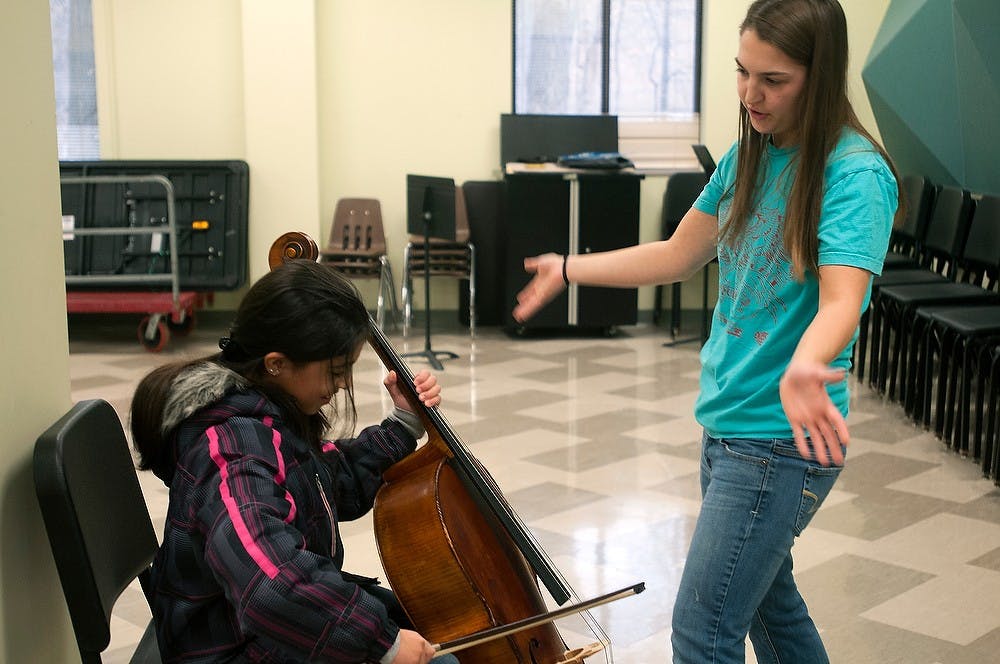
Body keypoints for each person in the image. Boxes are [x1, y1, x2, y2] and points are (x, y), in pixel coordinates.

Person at [513, 1, 902, 662]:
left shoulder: (854, 174)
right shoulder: (751, 154)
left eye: (773, 80)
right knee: (769, 608)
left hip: (780, 440)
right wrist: (569, 268)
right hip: (729, 424)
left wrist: (808, 361)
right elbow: (676, 254)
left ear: (820, 74)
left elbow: (843, 299)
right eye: (742, 71)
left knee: (703, 629)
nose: (751, 94)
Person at [130, 258, 458, 664]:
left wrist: (404, 424)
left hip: (254, 632)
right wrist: (382, 645)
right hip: (229, 647)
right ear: (276, 363)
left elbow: (329, 481)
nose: (341, 385)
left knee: (439, 625)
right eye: (335, 371)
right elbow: (272, 587)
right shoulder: (233, 449)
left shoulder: (269, 417)